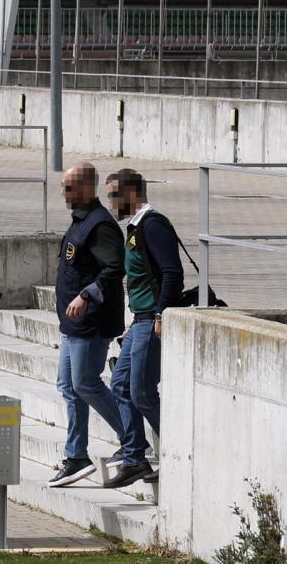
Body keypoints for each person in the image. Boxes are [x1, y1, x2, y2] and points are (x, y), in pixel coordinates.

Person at [50, 161, 128, 487]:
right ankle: (76, 456)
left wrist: (85, 295)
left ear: (84, 188)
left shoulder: (100, 226)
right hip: (73, 325)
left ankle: (133, 438)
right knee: (68, 386)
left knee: (86, 382)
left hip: (91, 322)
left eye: (69, 188)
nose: (64, 194)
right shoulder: (81, 222)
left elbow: (114, 268)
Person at [102, 168, 181, 488]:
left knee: (143, 392)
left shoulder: (153, 225)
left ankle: (177, 455)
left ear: (131, 193)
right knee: (120, 386)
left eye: (113, 194)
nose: (111, 202)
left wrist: (162, 314)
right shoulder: (135, 228)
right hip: (140, 320)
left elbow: (172, 272)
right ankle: (134, 458)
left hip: (152, 319)